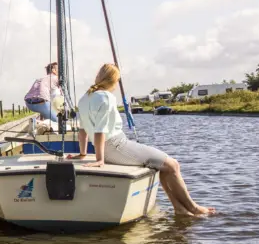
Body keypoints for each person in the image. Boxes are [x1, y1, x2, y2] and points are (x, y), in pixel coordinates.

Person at [69, 63, 215, 217]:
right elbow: (100, 130)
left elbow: (83, 130)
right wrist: (100, 160)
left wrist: (83, 153)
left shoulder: (84, 98)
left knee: (163, 167)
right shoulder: (106, 97)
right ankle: (194, 208)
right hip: (117, 145)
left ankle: (179, 208)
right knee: (173, 164)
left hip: (108, 148)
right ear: (114, 80)